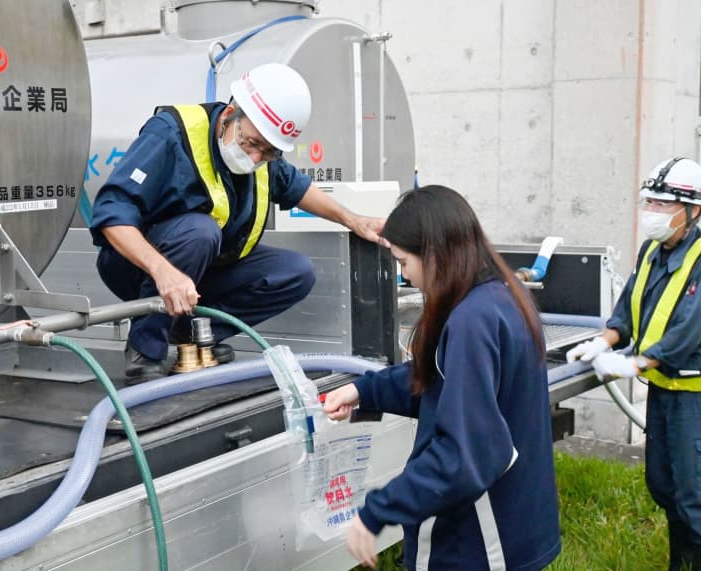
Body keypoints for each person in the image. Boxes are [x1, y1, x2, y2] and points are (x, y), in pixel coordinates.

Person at [90, 62, 384, 380]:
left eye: (269, 152)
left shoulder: (263, 159)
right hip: (138, 265)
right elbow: (111, 212)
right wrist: (163, 272)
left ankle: (195, 333)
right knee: (200, 231)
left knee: (295, 272)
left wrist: (353, 220)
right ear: (231, 114)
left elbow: (297, 187)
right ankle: (145, 348)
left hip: (203, 268)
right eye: (252, 143)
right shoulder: (171, 134)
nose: (256, 158)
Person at [323, 186, 561, 570]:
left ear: (434, 255)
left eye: (403, 262)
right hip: (517, 520)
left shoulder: (470, 321)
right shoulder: (502, 296)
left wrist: (376, 513)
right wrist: (363, 391)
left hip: (479, 539)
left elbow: (464, 453)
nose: (405, 276)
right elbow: (442, 382)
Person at [567, 157, 701, 570]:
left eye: (664, 205)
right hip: (663, 393)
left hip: (693, 401)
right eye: (650, 203)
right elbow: (629, 308)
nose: (653, 213)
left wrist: (635, 365)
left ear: (694, 210)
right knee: (665, 487)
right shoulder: (651, 252)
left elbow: (687, 330)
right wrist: (603, 340)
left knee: (694, 495)